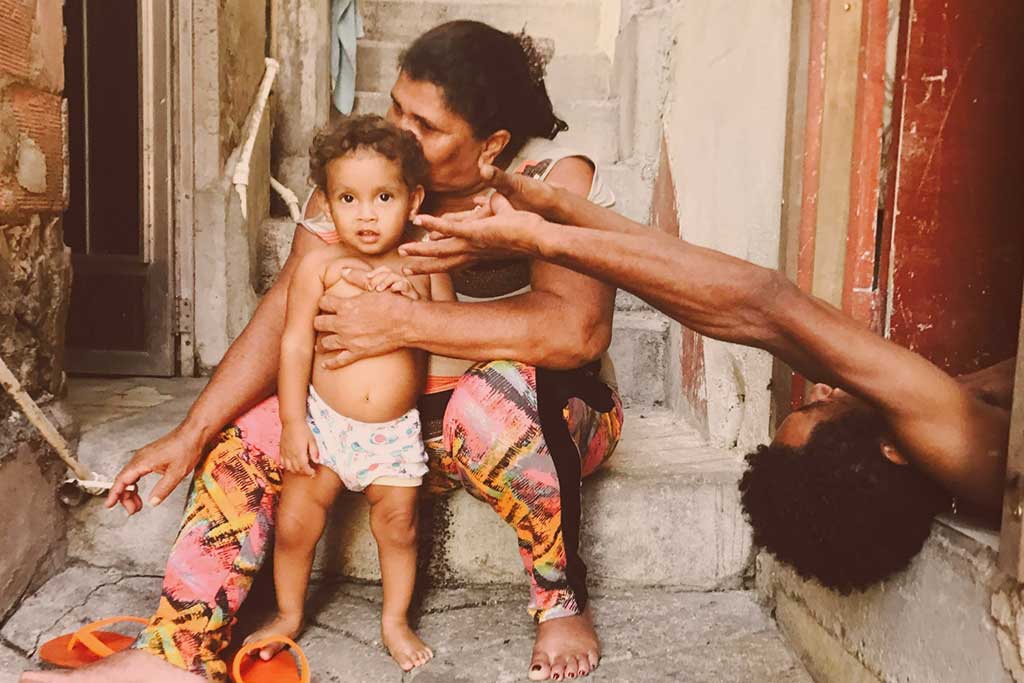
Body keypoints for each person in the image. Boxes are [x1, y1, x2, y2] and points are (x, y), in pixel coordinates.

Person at [21, 20, 622, 683]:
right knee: (246, 435)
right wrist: (191, 433)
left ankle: (560, 596)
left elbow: (576, 332)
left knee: (491, 402)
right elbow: (285, 310)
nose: (399, 129)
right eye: (396, 105)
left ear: (493, 144)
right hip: (389, 425)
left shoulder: (550, 176)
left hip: (539, 424)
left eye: (425, 122)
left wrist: (403, 320)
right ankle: (177, 652)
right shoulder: (362, 178)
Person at [402, 163, 1013, 594]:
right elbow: (763, 306)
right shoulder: (957, 435)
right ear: (890, 452)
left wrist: (550, 224)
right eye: (820, 409)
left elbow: (761, 314)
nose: (823, 387)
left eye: (816, 402)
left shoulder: (954, 436)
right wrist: (549, 223)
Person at [242, 115, 451, 671]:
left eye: (384, 196)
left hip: (393, 432)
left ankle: (394, 619)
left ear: (413, 199)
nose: (366, 213)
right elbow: (293, 346)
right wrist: (293, 424)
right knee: (296, 521)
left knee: (399, 526)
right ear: (327, 204)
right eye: (348, 198)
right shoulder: (319, 264)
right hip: (325, 424)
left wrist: (410, 298)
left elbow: (451, 334)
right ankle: (289, 612)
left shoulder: (422, 261)